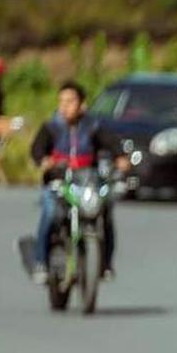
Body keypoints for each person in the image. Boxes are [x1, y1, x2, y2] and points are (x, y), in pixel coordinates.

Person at [29, 81, 129, 284]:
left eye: (70, 101)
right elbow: (37, 150)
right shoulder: (51, 127)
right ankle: (40, 262)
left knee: (106, 211)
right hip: (58, 183)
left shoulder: (93, 126)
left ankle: (106, 264)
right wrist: (44, 161)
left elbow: (111, 144)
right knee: (49, 213)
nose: (65, 106)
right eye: (62, 101)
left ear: (82, 104)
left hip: (86, 183)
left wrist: (121, 158)